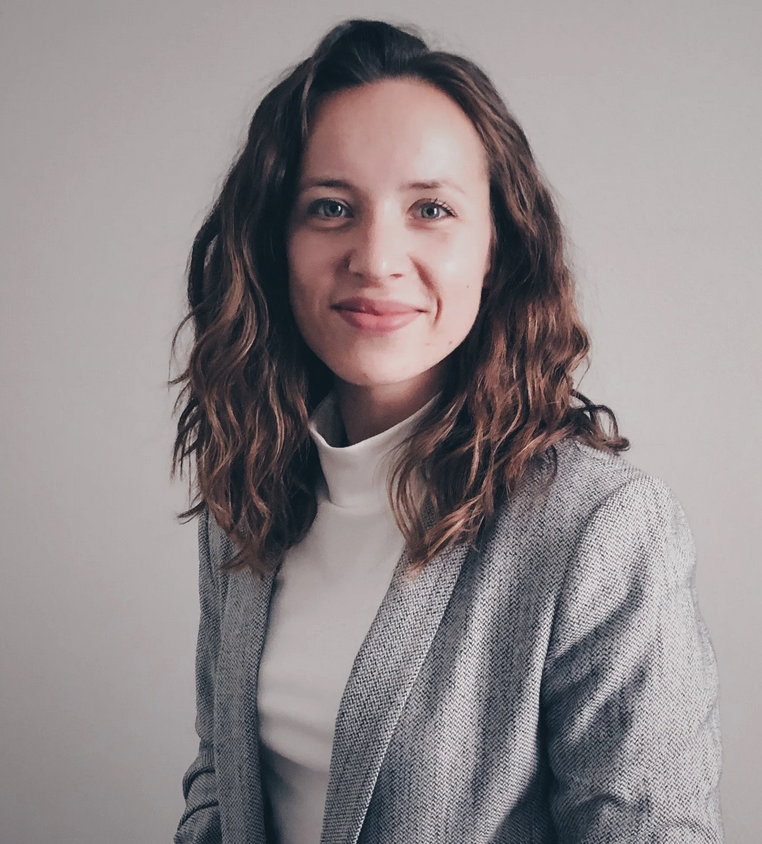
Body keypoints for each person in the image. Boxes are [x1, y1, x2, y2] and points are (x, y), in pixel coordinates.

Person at [169, 18, 723, 844]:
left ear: (495, 248)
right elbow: (223, 780)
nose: (377, 257)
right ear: (274, 244)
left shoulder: (601, 531)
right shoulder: (244, 494)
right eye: (329, 208)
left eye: (430, 208)